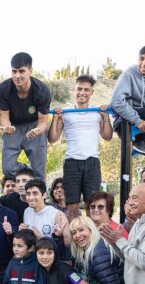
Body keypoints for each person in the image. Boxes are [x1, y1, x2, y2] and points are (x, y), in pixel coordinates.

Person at [48, 74, 113, 218]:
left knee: (93, 205)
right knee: (72, 206)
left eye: (86, 90)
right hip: (72, 162)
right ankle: (72, 233)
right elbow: (52, 138)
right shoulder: (66, 112)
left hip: (92, 162)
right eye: (79, 89)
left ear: (92, 92)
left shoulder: (97, 112)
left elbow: (107, 136)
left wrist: (106, 117)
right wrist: (56, 119)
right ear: (75, 90)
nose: (82, 93)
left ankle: (92, 232)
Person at [0, 52, 52, 179]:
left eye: (21, 71)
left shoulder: (42, 90)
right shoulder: (3, 89)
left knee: (40, 173)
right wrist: (7, 127)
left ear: (30, 71)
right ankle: (30, 171)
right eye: (14, 71)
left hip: (35, 126)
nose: (17, 76)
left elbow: (43, 122)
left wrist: (37, 131)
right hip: (13, 127)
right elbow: (4, 117)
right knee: (8, 169)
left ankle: (37, 176)